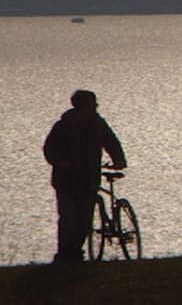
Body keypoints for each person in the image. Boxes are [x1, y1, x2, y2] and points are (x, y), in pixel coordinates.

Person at [43, 90, 127, 263]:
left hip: (88, 178)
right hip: (66, 180)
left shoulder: (98, 124)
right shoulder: (63, 126)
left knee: (83, 219)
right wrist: (60, 162)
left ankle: (74, 252)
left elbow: (111, 142)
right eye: (92, 104)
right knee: (68, 218)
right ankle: (65, 254)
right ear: (83, 106)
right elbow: (50, 149)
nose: (96, 107)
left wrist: (119, 160)